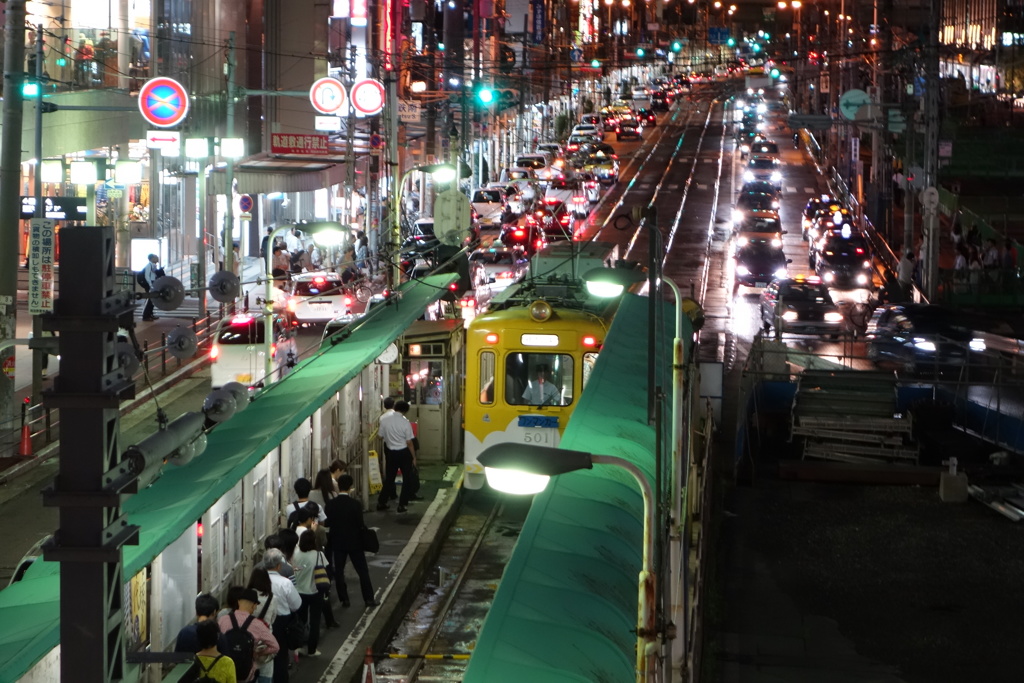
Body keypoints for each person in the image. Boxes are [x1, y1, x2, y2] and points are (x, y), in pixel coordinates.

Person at [324, 474, 379, 608]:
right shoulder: (355, 504)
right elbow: (360, 523)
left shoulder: (331, 504)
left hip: (337, 542)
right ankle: (369, 599)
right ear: (350, 487)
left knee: (339, 571)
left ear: (339, 486)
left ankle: (344, 599)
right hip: (355, 542)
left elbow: (327, 523)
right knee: (362, 571)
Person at [216, 587, 278, 683]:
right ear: (254, 606)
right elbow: (275, 646)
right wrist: (257, 653)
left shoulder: (223, 620)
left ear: (238, 602)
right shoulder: (257, 624)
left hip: (226, 672)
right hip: (246, 675)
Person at [264, 549, 302, 683]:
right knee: (280, 655)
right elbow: (296, 604)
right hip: (282, 623)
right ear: (279, 565)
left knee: (263, 654)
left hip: (262, 623)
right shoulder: (285, 583)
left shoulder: (258, 581)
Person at [377, 400, 417, 513]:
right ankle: (402, 505)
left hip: (391, 453)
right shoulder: (405, 423)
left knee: (389, 478)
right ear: (405, 411)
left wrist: (389, 438)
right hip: (404, 453)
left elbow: (380, 437)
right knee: (406, 479)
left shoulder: (385, 420)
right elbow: (409, 442)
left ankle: (382, 502)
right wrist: (413, 457)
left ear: (395, 407)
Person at [290, 529, 324, 657]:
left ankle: (298, 647)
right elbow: (325, 568)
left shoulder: (296, 555)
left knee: (300, 621)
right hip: (315, 592)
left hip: (299, 593)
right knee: (315, 622)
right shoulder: (318, 555)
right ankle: (312, 649)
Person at [246, 568, 280, 683]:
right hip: (265, 641)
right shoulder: (272, 598)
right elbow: (273, 618)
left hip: (249, 640)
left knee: (249, 673)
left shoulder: (246, 597)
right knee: (266, 674)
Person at [140, 253, 162, 321]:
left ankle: (150, 314)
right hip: (150, 283)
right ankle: (146, 316)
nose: (157, 258)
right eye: (155, 257)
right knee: (149, 300)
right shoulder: (148, 265)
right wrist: (150, 284)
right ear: (152, 258)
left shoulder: (153, 265)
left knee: (152, 300)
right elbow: (147, 276)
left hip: (153, 282)